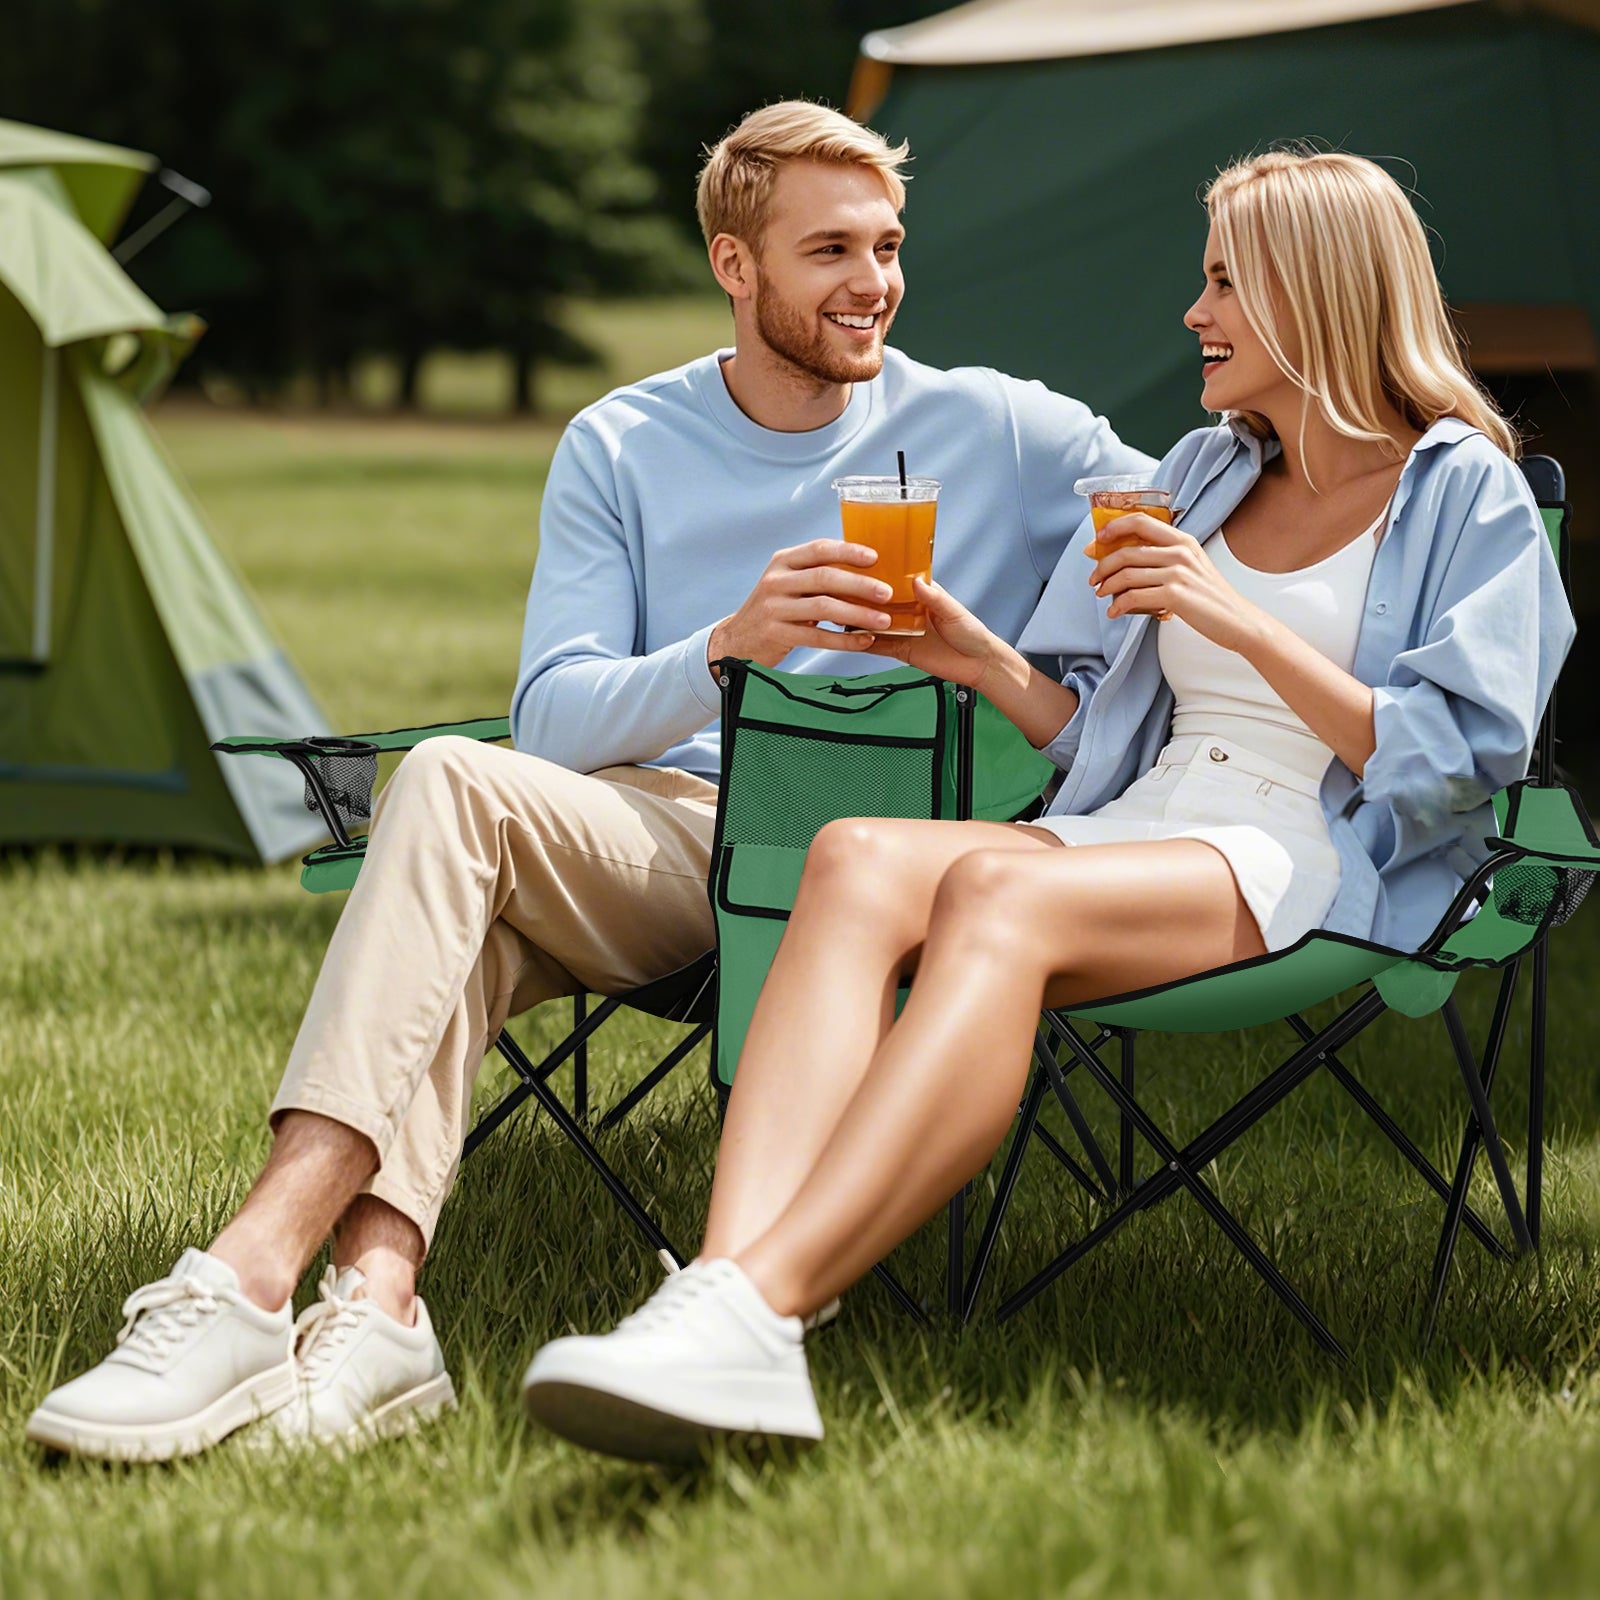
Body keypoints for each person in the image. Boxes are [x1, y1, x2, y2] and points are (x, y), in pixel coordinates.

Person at [24, 101, 1149, 1461]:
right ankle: (284, 1285)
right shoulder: (624, 443)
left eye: (889, 246)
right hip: (672, 833)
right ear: (736, 268)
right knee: (455, 779)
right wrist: (727, 646)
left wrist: (1068, 689)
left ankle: (336, 1301)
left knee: (468, 900)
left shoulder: (999, 429)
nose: (874, 285)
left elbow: (1199, 511)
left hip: (894, 862)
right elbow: (552, 717)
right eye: (830, 251)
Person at [520, 147, 1576, 1464]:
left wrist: (1235, 619)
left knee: (991, 889)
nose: (1194, 314)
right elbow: (1100, 736)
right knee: (853, 859)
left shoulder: (1460, 487)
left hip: (1311, 842)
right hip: (1144, 825)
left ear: (1316, 294)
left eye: (1224, 282)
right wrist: (971, 653)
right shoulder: (1201, 472)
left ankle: (757, 1305)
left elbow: (1463, 757)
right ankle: (726, 1307)